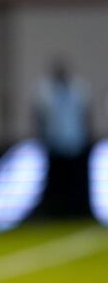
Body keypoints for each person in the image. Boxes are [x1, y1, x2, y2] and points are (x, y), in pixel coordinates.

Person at [36, 58, 91, 217]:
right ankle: (56, 212)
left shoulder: (79, 88)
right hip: (54, 144)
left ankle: (78, 212)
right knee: (56, 182)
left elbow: (86, 115)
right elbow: (40, 117)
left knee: (76, 181)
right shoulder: (44, 90)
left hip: (76, 142)